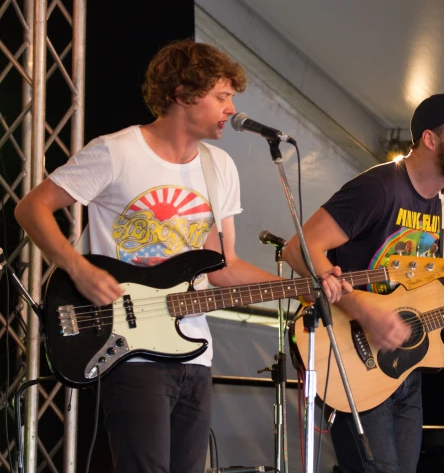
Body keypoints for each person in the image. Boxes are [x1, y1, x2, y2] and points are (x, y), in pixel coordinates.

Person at [14, 40, 348, 473]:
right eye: (221, 96)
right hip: (130, 348)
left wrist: (299, 288)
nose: (231, 109)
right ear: (182, 93)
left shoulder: (220, 167)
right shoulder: (116, 151)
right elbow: (31, 208)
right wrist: (77, 268)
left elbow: (222, 266)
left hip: (195, 352)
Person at [282, 93, 444, 473]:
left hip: (404, 370)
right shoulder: (380, 187)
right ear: (431, 139)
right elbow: (298, 249)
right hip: (352, 355)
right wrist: (363, 310)